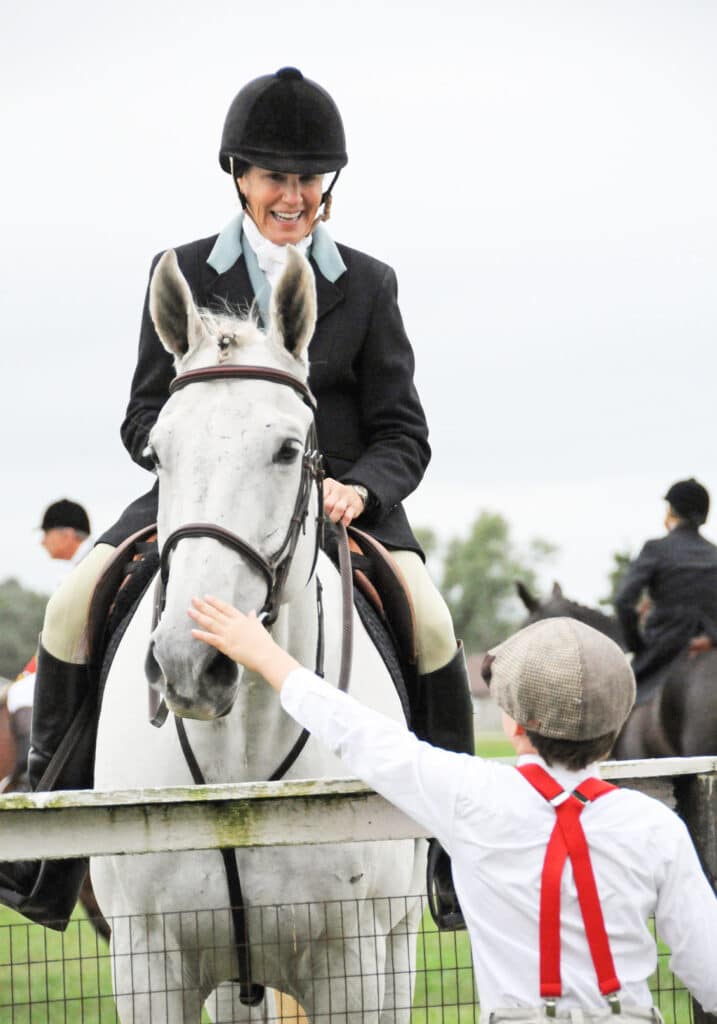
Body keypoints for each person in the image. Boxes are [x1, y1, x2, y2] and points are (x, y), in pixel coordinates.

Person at [0, 68, 472, 926]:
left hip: (339, 502)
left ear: (326, 185)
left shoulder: (367, 283)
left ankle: (447, 855)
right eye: (273, 177)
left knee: (431, 622)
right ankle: (50, 850)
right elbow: (144, 411)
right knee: (71, 604)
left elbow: (403, 428)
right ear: (238, 177)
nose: (291, 195)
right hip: (203, 500)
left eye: (307, 180)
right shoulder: (177, 270)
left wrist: (360, 489)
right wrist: (195, 456)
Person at [188, 598, 717, 1018]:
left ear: (512, 724)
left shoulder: (471, 796)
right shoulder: (657, 828)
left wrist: (265, 655)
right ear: (619, 722)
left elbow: (360, 734)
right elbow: (710, 972)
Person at [4, 499, 93, 790]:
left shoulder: (83, 569)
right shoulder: (84, 564)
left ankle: (33, 775)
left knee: (19, 694)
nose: (43, 542)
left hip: (83, 663)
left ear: (67, 535)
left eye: (47, 533)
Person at [615, 478, 717, 695]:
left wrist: (638, 646)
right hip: (709, 647)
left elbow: (623, 601)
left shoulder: (656, 549)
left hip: (664, 650)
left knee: (619, 702)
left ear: (672, 510)